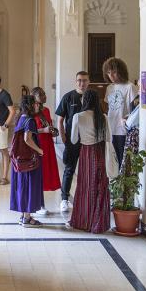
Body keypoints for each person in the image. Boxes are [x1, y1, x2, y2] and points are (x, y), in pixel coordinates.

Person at [67, 90, 112, 234]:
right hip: (100, 152)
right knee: (100, 187)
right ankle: (98, 223)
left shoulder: (78, 117)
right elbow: (109, 138)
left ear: (84, 101)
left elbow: (73, 140)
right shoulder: (103, 117)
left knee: (86, 188)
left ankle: (83, 222)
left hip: (86, 153)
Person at [55, 71, 90, 212]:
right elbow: (60, 120)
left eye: (85, 80)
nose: (82, 83)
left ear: (89, 82)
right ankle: (64, 198)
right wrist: (63, 137)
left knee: (86, 170)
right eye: (79, 80)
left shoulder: (91, 97)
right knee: (69, 169)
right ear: (76, 81)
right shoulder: (68, 97)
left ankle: (85, 198)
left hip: (88, 140)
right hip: (72, 140)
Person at [10, 95, 45, 227]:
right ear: (30, 105)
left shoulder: (21, 118)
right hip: (29, 160)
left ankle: (23, 216)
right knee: (30, 186)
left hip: (21, 160)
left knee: (22, 187)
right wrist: (39, 150)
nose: (38, 106)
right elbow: (27, 139)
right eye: (35, 104)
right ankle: (27, 218)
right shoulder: (30, 120)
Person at [102, 57, 139, 168]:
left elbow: (135, 110)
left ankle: (122, 185)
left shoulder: (130, 87)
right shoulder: (109, 88)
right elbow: (108, 108)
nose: (111, 76)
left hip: (123, 130)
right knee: (112, 162)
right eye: (108, 73)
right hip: (110, 129)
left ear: (121, 71)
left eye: (114, 72)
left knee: (123, 162)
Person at [30, 87, 61, 217]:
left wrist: (52, 131)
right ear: (34, 97)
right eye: (41, 94)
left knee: (44, 175)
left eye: (44, 93)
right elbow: (30, 131)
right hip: (37, 145)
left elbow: (48, 126)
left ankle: (41, 204)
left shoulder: (46, 110)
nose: (44, 96)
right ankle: (36, 205)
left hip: (47, 144)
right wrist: (44, 131)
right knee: (36, 175)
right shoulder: (30, 112)